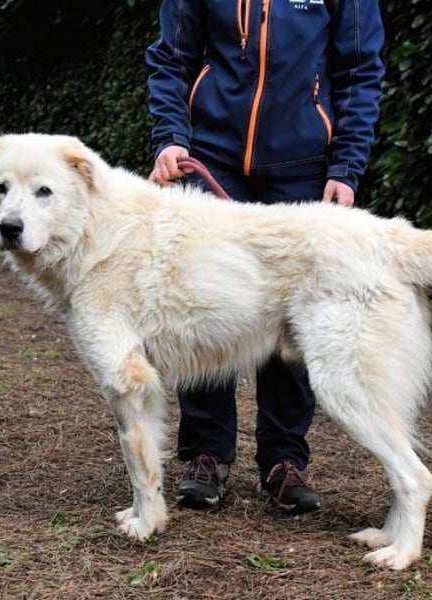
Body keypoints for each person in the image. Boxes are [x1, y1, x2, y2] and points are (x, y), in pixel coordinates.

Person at [145, 0, 385, 514]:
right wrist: (169, 137)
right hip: (209, 158)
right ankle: (206, 455)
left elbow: (360, 71)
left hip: (302, 168)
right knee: (207, 309)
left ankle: (284, 461)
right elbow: (172, 57)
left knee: (294, 315)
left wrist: (345, 167)